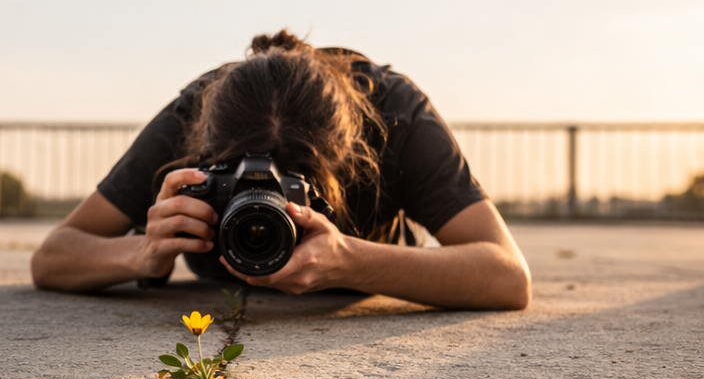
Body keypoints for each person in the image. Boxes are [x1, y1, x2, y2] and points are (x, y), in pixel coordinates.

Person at [31, 31, 531, 309]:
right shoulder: (190, 115)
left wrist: (354, 261)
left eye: (291, 191)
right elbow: (53, 257)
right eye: (238, 185)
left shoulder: (393, 114)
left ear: (351, 156)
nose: (264, 205)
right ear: (204, 153)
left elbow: (507, 276)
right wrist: (139, 254)